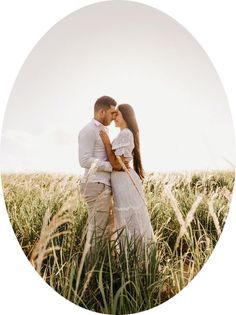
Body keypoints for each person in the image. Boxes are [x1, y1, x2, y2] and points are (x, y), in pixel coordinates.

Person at [99, 104, 155, 250]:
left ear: (125, 115)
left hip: (124, 181)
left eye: (116, 114)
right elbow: (116, 161)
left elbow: (117, 164)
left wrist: (106, 143)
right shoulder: (123, 134)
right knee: (127, 219)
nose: (113, 116)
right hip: (121, 181)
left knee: (129, 219)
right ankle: (131, 259)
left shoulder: (126, 134)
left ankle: (137, 259)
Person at [78, 96, 128, 253]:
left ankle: (100, 267)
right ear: (101, 111)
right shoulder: (88, 130)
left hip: (101, 185)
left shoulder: (103, 130)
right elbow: (84, 160)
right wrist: (113, 166)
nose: (114, 116)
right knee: (98, 232)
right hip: (95, 184)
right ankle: (91, 272)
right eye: (112, 112)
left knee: (105, 230)